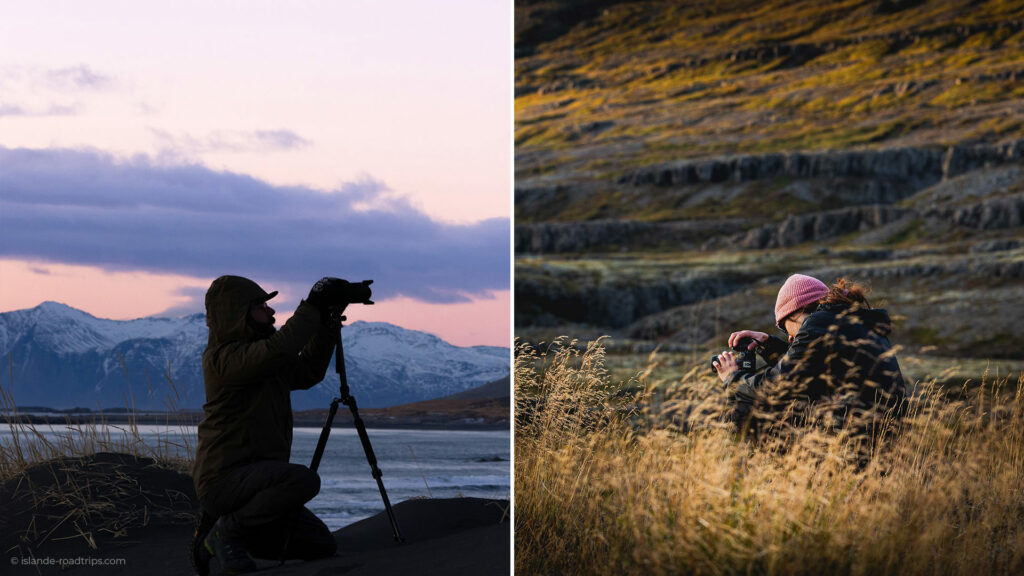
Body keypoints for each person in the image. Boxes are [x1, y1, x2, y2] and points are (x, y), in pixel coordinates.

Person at [190, 275, 352, 575]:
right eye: (262, 305)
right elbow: (280, 348)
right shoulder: (224, 359)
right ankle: (226, 533)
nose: (271, 312)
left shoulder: (262, 357)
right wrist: (313, 304)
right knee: (302, 480)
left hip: (257, 484)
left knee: (320, 545)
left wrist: (327, 325)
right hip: (223, 480)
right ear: (237, 312)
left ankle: (225, 534)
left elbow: (307, 372)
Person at [712, 274, 906, 439]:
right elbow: (806, 367)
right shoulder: (848, 320)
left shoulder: (818, 323)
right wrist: (768, 345)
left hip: (852, 438)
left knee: (744, 408)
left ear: (795, 312)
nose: (789, 337)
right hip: (881, 433)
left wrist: (733, 379)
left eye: (784, 326)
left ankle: (762, 476)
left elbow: (780, 383)